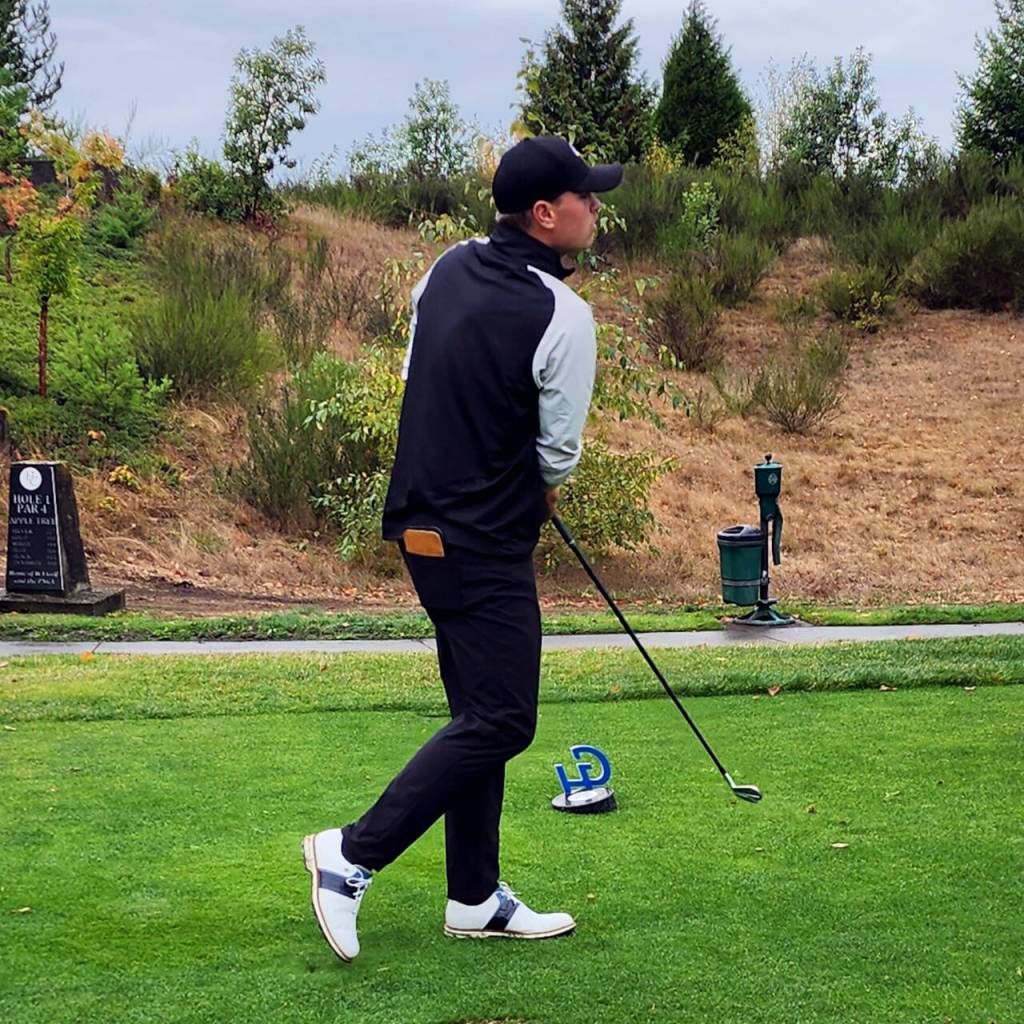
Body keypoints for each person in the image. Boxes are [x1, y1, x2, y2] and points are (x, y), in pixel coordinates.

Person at [303, 136, 623, 962]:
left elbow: (429, 381)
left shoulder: (444, 268)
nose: (597, 206)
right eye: (585, 197)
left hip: (422, 526)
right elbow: (558, 455)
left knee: (478, 708)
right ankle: (350, 854)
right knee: (505, 717)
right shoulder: (565, 314)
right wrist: (532, 487)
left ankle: (474, 896)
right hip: (484, 539)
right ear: (545, 214)